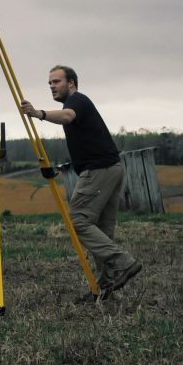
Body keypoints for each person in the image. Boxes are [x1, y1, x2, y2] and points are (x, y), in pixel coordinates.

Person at [21, 65, 141, 302]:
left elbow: (67, 117)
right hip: (111, 169)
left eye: (56, 82)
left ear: (71, 83)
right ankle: (105, 286)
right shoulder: (76, 102)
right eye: (50, 83)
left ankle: (123, 262)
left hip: (98, 171)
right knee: (102, 231)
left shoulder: (77, 101)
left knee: (77, 220)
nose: (52, 86)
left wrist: (39, 114)